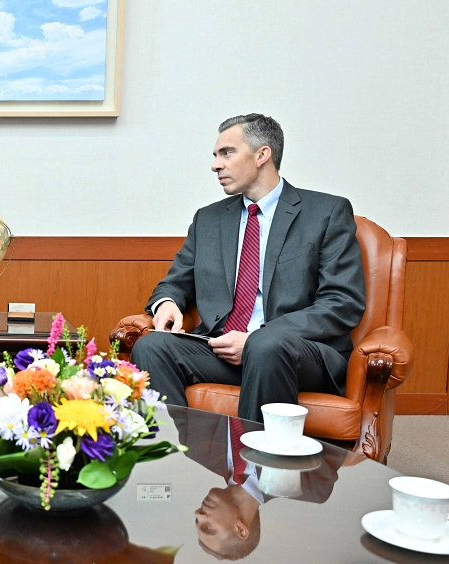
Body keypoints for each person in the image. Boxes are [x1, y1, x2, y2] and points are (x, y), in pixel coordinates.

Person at [131, 113, 366, 422]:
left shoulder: (325, 213)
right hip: (221, 349)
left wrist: (255, 337)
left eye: (226, 153)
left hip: (296, 353)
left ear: (261, 155)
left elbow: (342, 302)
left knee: (266, 345)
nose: (215, 164)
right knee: (152, 347)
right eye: (215, 155)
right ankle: (181, 459)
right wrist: (168, 303)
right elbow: (175, 282)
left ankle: (255, 469)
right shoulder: (209, 219)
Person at [171, 408, 345, 560]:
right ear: (240, 529)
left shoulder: (194, 447)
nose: (199, 514)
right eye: (208, 527)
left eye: (196, 520)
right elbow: (339, 431)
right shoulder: (312, 488)